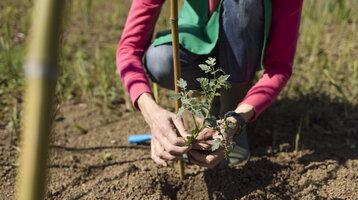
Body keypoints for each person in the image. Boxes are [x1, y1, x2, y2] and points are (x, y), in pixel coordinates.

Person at [116, 0, 303, 168]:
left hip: (246, 48)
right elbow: (129, 48)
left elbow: (279, 67)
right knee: (161, 60)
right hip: (198, 42)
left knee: (243, 5)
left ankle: (231, 108)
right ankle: (209, 103)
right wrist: (152, 114)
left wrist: (236, 119)